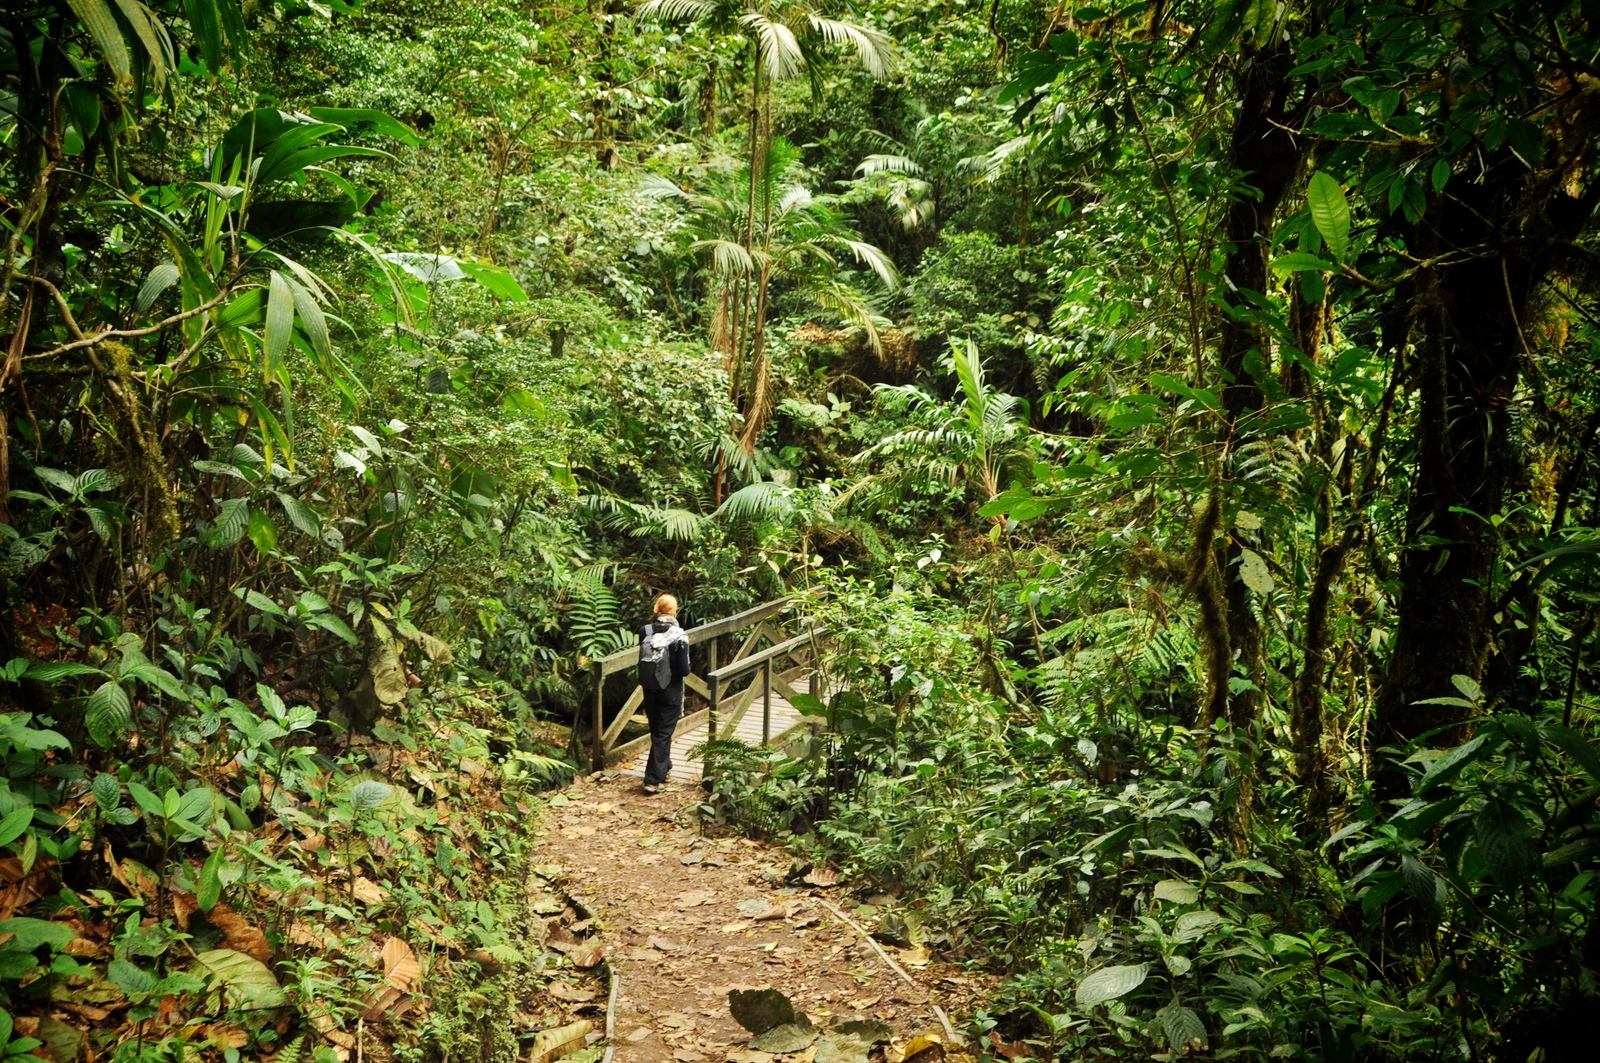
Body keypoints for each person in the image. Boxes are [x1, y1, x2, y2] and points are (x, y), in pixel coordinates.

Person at [637, 593, 691, 794]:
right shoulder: (679, 635)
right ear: (674, 611)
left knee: (657, 730)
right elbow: (684, 670)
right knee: (663, 732)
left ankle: (664, 765)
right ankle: (653, 779)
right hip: (671, 690)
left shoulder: (645, 631)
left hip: (649, 688)